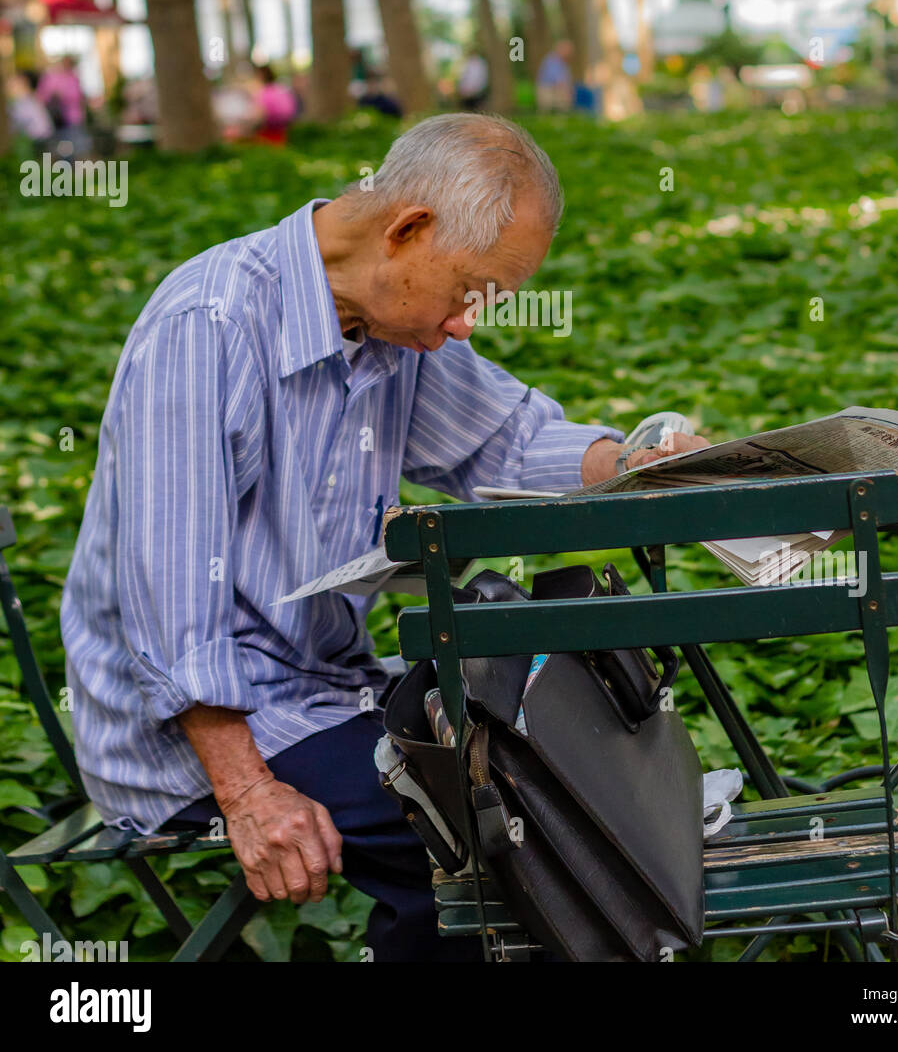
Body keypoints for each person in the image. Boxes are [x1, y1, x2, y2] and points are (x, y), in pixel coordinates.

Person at [60, 113, 707, 962]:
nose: (471, 323)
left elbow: (502, 443)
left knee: (551, 770)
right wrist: (249, 793)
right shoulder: (209, 326)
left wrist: (639, 462)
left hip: (325, 689)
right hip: (193, 734)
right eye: (472, 292)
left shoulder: (391, 323)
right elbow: (169, 609)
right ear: (407, 231)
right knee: (478, 824)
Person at [251, 64, 299, 145]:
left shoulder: (264, 92)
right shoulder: (280, 89)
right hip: (283, 129)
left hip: (268, 131)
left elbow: (260, 113)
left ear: (261, 76)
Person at [7, 69, 54, 149]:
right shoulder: (31, 98)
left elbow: (17, 123)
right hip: (43, 137)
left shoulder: (23, 101)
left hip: (38, 140)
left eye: (13, 84)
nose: (8, 87)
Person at [535, 40, 574, 112]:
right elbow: (559, 81)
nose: (570, 54)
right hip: (548, 90)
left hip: (556, 90)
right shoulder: (553, 60)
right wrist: (566, 93)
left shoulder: (564, 63)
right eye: (568, 51)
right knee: (549, 112)